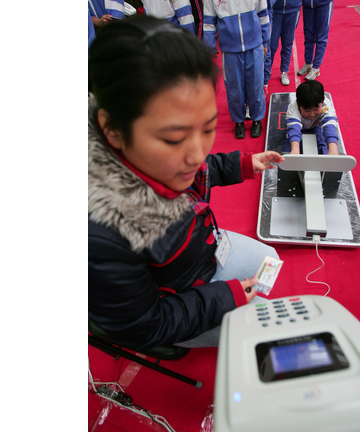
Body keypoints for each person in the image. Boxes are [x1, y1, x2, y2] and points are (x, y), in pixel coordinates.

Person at [89, 16, 285, 350]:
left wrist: (241, 164)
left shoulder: (158, 157)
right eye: (175, 137)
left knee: (269, 257)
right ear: (112, 130)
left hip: (203, 255)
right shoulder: (101, 232)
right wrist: (225, 297)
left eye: (207, 128)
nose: (196, 155)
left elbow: (203, 166)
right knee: (269, 323)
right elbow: (146, 326)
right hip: (179, 295)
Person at [203, 0, 270, 139]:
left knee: (256, 85)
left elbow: (263, 13)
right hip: (230, 49)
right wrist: (209, 45)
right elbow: (209, 21)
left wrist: (265, 39)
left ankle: (257, 119)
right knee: (234, 88)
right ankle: (238, 121)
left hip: (254, 45)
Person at [284, 80, 339, 155]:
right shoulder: (293, 108)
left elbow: (329, 126)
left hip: (315, 126)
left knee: (323, 145)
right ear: (298, 104)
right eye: (306, 110)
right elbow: (294, 129)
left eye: (316, 109)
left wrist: (333, 150)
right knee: (290, 146)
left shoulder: (326, 106)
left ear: (322, 103)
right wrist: (295, 150)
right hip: (297, 126)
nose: (312, 114)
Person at [268, 0, 301, 86]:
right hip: (275, 10)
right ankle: (267, 68)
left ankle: (284, 71)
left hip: (293, 9)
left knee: (287, 42)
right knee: (271, 43)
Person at [297, 0, 333, 81]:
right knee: (308, 35)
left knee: (321, 36)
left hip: (323, 4)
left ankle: (316, 67)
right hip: (308, 5)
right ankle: (308, 63)